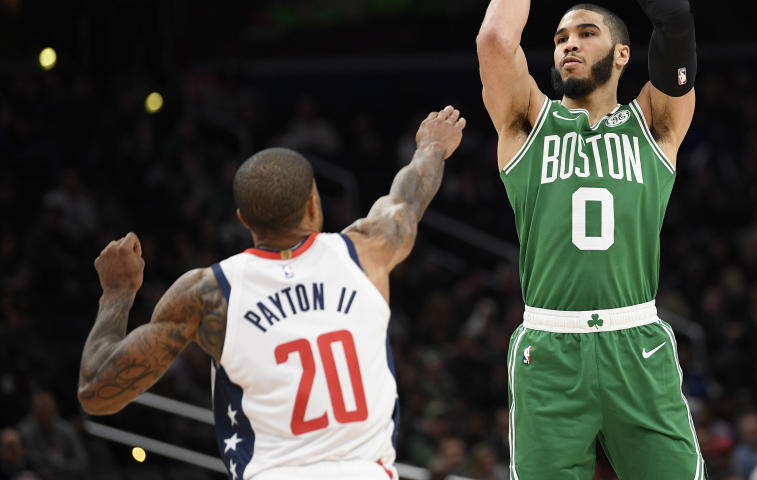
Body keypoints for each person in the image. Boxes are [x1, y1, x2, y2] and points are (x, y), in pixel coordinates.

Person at [77, 106, 466, 480]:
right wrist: (432, 146)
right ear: (314, 203)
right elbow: (406, 199)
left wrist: (117, 291)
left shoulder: (208, 294)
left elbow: (96, 393)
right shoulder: (368, 251)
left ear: (243, 219)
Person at [475, 0, 701, 479]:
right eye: (559, 39)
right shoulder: (528, 121)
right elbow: (496, 42)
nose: (568, 44)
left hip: (638, 344)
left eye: (586, 34)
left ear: (624, 55)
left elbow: (674, 17)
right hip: (550, 348)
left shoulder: (654, 123)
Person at [15, 392, 87, 480]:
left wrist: (60, 465)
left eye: (48, 408)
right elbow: (22, 461)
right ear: (33, 411)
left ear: (55, 409)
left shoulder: (66, 429)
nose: (45, 413)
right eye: (41, 410)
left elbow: (82, 463)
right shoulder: (25, 431)